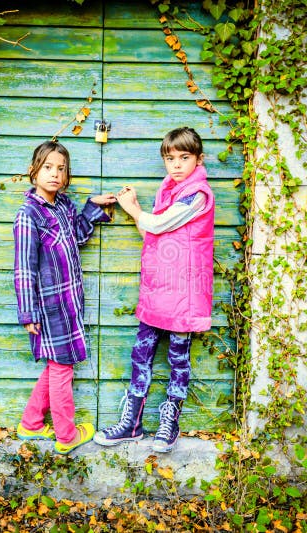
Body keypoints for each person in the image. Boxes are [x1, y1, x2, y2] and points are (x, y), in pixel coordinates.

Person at [94, 127, 215, 453]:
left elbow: (157, 223)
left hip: (184, 292)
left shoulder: (197, 194)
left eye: (184, 157)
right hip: (160, 288)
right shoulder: (169, 191)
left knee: (178, 357)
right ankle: (132, 423)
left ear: (199, 159)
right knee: (141, 353)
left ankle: (169, 421)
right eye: (170, 158)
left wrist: (133, 209)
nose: (176, 165)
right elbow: (151, 232)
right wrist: (136, 208)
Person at [13, 140, 116, 454]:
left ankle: (31, 423)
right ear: (33, 171)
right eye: (48, 167)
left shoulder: (64, 206)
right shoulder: (28, 215)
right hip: (48, 307)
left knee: (57, 364)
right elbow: (24, 268)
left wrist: (92, 207)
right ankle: (67, 435)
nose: (54, 174)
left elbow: (78, 236)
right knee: (63, 368)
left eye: (61, 169)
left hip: (69, 302)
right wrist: (28, 313)